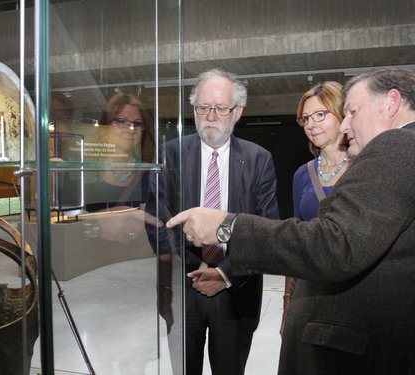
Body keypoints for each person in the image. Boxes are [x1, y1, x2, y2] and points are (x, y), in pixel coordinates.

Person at [166, 67, 415, 375]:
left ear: (391, 103)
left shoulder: (395, 148)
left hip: (354, 332)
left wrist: (227, 226)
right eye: (204, 107)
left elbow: (332, 244)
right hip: (192, 289)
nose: (346, 123)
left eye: (350, 112)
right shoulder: (173, 154)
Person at [153, 69, 279, 375]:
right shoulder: (170, 154)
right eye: (203, 107)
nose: (211, 116)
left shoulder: (258, 158)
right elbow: (157, 222)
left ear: (237, 112)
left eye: (221, 108)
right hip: (184, 289)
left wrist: (223, 274)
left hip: (236, 289)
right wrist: (191, 269)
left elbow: (266, 229)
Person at [281, 81, 351, 334]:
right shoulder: (302, 174)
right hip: (310, 293)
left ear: (342, 113)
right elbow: (294, 241)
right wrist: (288, 306)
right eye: (306, 118)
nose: (311, 124)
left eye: (320, 114)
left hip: (355, 292)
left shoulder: (366, 167)